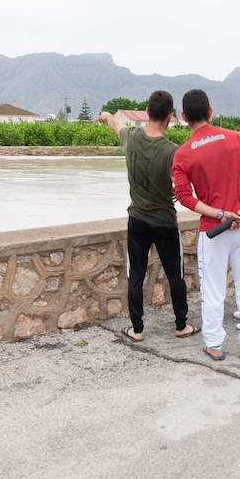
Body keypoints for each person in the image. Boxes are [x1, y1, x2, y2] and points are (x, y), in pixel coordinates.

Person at [171, 88, 240, 362]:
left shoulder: (183, 154)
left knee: (213, 290)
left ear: (184, 116)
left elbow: (183, 196)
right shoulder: (236, 138)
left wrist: (217, 212)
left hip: (213, 230)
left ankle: (214, 346)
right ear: (210, 112)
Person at [97, 92, 196, 342]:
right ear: (170, 117)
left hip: (137, 220)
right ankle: (181, 325)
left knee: (136, 275)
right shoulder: (173, 152)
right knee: (175, 276)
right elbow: (185, 187)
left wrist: (105, 115)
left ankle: (137, 329)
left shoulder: (131, 137)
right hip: (164, 222)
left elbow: (114, 123)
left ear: (147, 112)